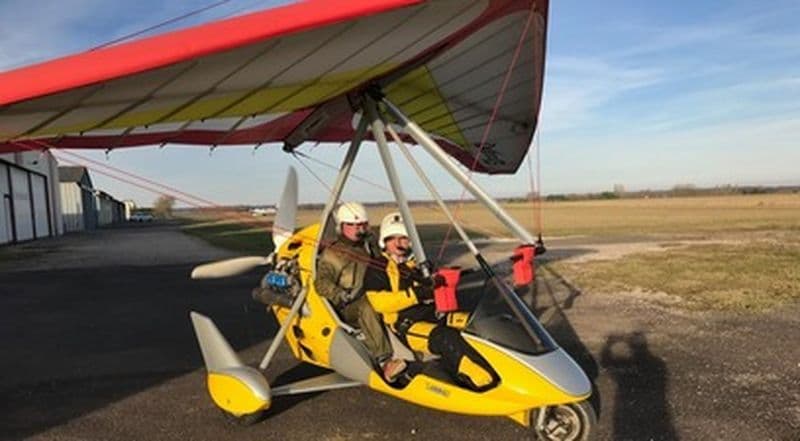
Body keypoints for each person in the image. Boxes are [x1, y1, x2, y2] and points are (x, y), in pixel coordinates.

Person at [363, 212, 496, 391]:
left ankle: (503, 366)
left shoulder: (418, 265)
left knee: (476, 322)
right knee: (445, 338)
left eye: (403, 238)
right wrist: (416, 294)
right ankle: (481, 381)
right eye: (392, 239)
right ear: (384, 242)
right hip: (407, 325)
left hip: (434, 315)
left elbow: (435, 288)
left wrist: (443, 280)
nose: (398, 244)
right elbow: (380, 303)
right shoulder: (378, 267)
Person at [314, 202, 407, 382]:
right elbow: (322, 283)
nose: (358, 229)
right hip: (349, 305)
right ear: (341, 227)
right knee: (368, 305)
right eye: (352, 225)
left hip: (374, 293)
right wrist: (340, 294)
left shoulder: (369, 245)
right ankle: (385, 362)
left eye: (361, 225)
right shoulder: (333, 254)